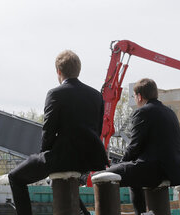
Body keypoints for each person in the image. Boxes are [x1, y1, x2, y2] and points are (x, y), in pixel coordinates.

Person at [8, 50, 108, 215]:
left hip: (63, 157)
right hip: (88, 161)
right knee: (68, 182)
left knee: (15, 178)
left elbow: (48, 129)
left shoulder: (56, 93)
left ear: (59, 72)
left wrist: (45, 153)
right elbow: (97, 130)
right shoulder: (96, 96)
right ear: (79, 70)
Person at [106, 78, 180, 215]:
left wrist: (120, 164)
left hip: (155, 169)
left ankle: (140, 212)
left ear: (139, 97)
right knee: (133, 172)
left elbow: (134, 147)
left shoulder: (142, 112)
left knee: (107, 175)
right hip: (176, 170)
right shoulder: (170, 113)